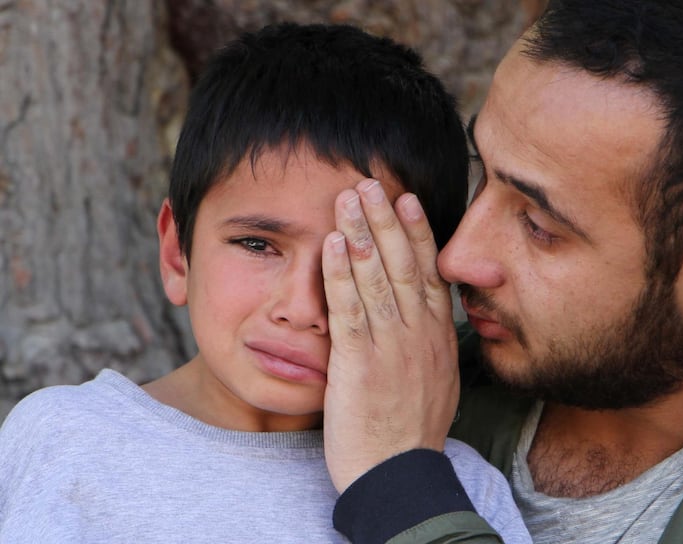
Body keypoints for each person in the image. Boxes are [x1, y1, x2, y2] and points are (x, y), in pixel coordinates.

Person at [0, 22, 532, 543]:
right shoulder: (62, 439)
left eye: (351, 264)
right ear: (176, 254)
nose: (301, 309)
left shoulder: (450, 491)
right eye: (257, 244)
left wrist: (402, 485)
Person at [321, 0, 683, 542]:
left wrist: (401, 489)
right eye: (482, 171)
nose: (455, 258)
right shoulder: (386, 370)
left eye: (539, 225)